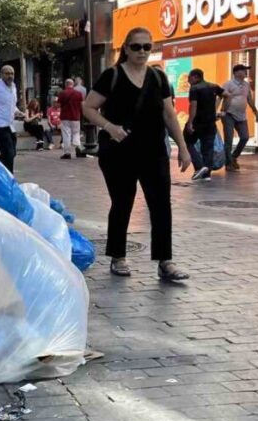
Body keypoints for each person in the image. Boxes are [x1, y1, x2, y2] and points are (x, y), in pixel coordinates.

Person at [81, 27, 192, 282]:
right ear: (126, 49)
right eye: (136, 47)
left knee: (161, 205)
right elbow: (88, 107)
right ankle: (118, 256)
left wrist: (183, 148)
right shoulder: (112, 75)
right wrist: (109, 127)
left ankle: (165, 261)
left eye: (147, 47)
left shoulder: (159, 78)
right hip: (119, 152)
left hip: (153, 151)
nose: (142, 52)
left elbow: (169, 114)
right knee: (123, 203)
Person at [219, 64, 258, 172]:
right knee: (229, 139)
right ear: (236, 73)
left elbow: (249, 99)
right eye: (243, 70)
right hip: (228, 114)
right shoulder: (228, 84)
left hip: (241, 116)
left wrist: (255, 111)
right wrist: (219, 111)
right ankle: (228, 164)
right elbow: (220, 97)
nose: (246, 72)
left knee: (245, 137)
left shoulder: (246, 85)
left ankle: (234, 156)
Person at [184, 69, 223, 181]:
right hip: (210, 122)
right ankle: (207, 174)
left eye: (189, 78)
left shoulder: (195, 88)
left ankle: (199, 167)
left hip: (198, 122)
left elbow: (193, 106)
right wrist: (220, 108)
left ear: (195, 77)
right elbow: (226, 94)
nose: (188, 81)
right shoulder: (214, 86)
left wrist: (190, 122)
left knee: (188, 141)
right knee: (208, 147)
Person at [57, 79, 86, 159]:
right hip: (76, 116)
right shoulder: (78, 93)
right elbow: (82, 105)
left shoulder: (62, 93)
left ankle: (67, 153)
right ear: (72, 84)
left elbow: (58, 105)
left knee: (66, 134)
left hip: (65, 117)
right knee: (76, 133)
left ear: (66, 84)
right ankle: (78, 148)